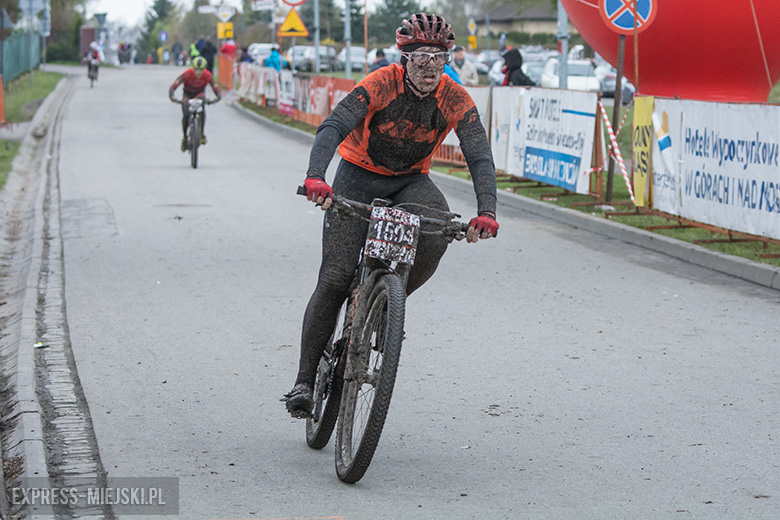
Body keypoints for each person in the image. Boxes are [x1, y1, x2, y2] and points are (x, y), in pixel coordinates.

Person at [283, 12, 499, 418]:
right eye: (422, 59)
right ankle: (304, 382)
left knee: (437, 231)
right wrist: (316, 177)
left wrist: (486, 210)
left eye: (440, 59)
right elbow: (333, 126)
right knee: (333, 278)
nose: (431, 68)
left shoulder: (455, 98)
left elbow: (478, 153)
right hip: (358, 176)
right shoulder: (380, 83)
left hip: (410, 182)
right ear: (404, 58)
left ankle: (385, 303)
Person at [168, 56, 222, 152]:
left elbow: (215, 87)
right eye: (196, 70)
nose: (198, 72)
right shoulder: (187, 73)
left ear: (204, 69)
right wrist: (172, 96)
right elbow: (174, 85)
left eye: (201, 70)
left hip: (199, 94)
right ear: (193, 68)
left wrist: (217, 97)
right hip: (188, 94)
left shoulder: (207, 75)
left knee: (202, 107)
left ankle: (201, 134)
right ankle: (185, 137)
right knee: (185, 114)